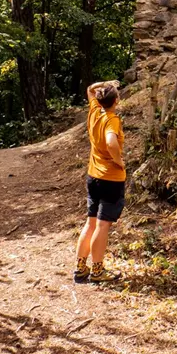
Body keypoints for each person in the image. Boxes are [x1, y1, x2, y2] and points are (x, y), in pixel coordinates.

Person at [76, 80, 126, 283]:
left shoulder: (95, 111)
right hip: (110, 179)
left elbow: (90, 88)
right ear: (116, 101)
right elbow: (111, 142)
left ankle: (81, 269)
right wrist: (119, 161)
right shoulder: (111, 119)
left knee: (91, 223)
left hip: (93, 176)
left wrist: (106, 83)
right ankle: (97, 271)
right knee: (103, 225)